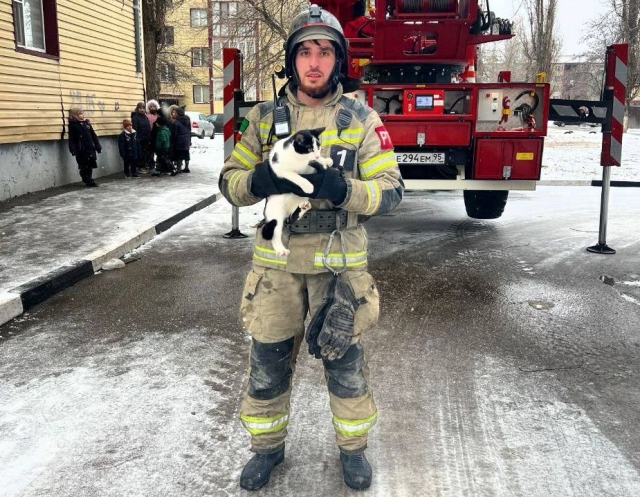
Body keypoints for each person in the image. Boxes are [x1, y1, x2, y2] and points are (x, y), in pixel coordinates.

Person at [219, 4, 403, 492]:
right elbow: (230, 182)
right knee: (267, 368)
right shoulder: (263, 119)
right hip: (275, 268)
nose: (315, 62)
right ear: (293, 60)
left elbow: (392, 189)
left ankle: (353, 451)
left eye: (325, 51)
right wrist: (258, 177)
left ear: (337, 59)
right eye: (305, 52)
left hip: (339, 269)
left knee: (346, 369)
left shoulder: (362, 119)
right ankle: (267, 448)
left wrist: (346, 191)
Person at [68, 108, 102, 187]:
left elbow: (93, 136)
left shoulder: (87, 124)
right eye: (80, 114)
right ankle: (86, 178)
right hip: (81, 149)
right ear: (75, 115)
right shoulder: (73, 125)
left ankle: (89, 180)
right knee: (84, 164)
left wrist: (98, 146)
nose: (82, 115)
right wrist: (72, 149)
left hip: (90, 147)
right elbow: (71, 139)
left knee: (90, 164)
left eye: (82, 113)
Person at [167, 105, 191, 175]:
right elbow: (189, 130)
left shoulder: (176, 122)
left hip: (179, 141)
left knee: (179, 155)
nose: (174, 114)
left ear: (177, 113)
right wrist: (189, 140)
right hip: (186, 140)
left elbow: (174, 133)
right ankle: (186, 167)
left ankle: (179, 169)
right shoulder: (187, 119)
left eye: (175, 113)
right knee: (186, 153)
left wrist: (172, 140)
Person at [131, 102, 152, 171]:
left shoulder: (145, 117)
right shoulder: (135, 118)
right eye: (140, 108)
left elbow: (148, 128)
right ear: (137, 109)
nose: (142, 110)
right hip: (139, 139)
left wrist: (149, 137)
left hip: (146, 138)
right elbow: (135, 129)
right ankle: (140, 167)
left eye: (143, 108)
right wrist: (137, 138)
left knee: (145, 153)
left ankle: (144, 165)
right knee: (140, 154)